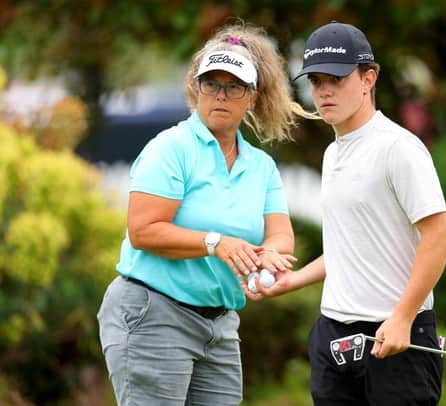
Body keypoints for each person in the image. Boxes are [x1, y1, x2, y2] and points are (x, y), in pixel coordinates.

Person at [97, 22, 312, 405]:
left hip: (220, 323)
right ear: (196, 89)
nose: (220, 95)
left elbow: (280, 235)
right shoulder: (172, 148)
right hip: (153, 312)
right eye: (210, 84)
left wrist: (269, 254)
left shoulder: (260, 165)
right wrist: (214, 243)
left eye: (233, 87)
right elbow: (143, 231)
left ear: (253, 97)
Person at [254, 22, 446, 405]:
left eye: (337, 78)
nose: (324, 91)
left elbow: (439, 236)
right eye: (315, 81)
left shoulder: (398, 149)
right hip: (333, 337)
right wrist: (291, 281)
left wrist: (403, 317)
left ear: (368, 78)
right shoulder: (333, 154)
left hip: (395, 338)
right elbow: (349, 249)